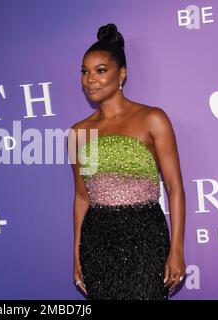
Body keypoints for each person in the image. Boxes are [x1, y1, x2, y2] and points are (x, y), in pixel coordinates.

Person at [68, 23, 186, 300]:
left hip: (146, 236)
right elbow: (82, 198)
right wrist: (76, 257)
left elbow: (175, 188)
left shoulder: (152, 119)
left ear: (121, 74)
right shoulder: (79, 133)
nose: (90, 80)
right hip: (97, 242)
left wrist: (177, 249)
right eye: (85, 72)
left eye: (100, 71)